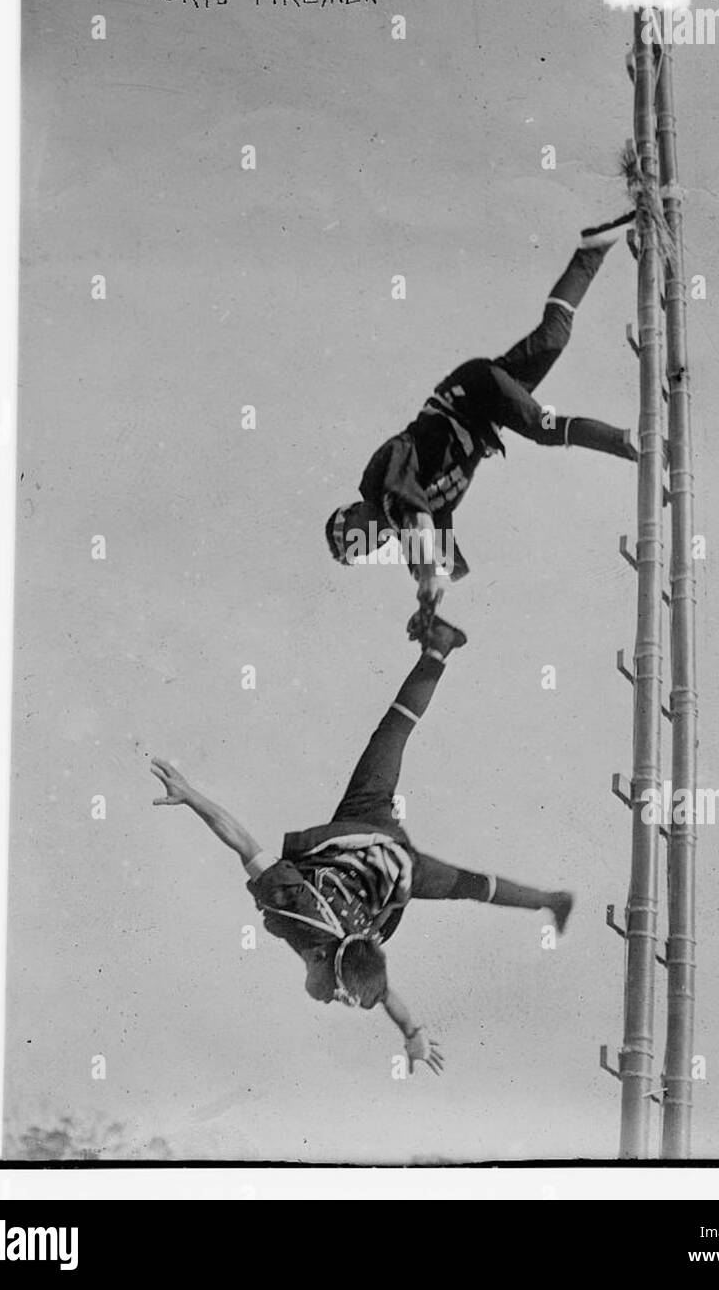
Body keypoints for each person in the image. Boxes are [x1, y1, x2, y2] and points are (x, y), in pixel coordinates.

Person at [150, 616, 573, 1075]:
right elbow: (241, 841)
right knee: (397, 750)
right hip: (371, 843)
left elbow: (393, 1003)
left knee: (465, 877)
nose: (331, 999)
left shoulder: (338, 946)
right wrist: (190, 797)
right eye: (338, 994)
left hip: (393, 865)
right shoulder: (308, 917)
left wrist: (414, 1037)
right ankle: (437, 650)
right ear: (324, 958)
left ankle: (551, 900)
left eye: (337, 995)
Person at [325, 212, 638, 636]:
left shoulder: (381, 487)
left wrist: (427, 575)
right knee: (552, 339)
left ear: (352, 516)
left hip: (468, 398)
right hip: (481, 409)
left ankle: (629, 442)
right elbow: (446, 561)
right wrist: (429, 606)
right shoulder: (404, 520)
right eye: (361, 555)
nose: (369, 548)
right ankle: (593, 249)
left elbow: (416, 520)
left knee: (543, 429)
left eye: (356, 542)